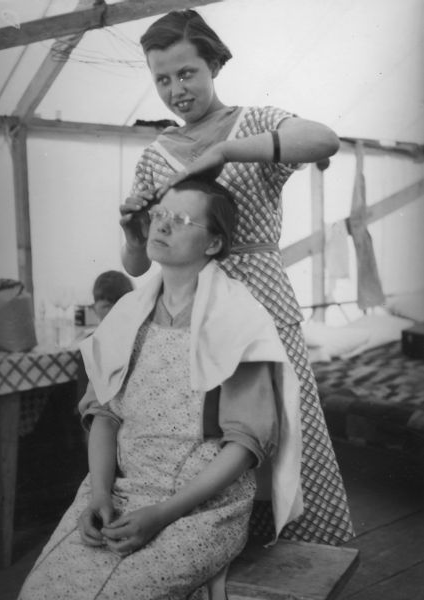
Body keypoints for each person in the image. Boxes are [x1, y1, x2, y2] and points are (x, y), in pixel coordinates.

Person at [119, 9, 353, 545]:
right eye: (162, 79)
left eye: (187, 73)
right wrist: (134, 234)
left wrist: (223, 151)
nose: (176, 89)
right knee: (212, 440)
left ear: (214, 65)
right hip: (194, 315)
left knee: (290, 432)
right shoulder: (156, 157)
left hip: (264, 303)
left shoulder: (257, 122)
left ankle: (307, 553)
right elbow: (137, 265)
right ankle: (217, 556)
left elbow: (325, 140)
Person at [18, 177, 302, 600]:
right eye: (160, 215)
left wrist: (162, 515)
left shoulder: (239, 320)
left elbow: (243, 447)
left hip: (201, 509)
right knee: (39, 592)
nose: (162, 227)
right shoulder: (129, 314)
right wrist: (97, 495)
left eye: (182, 219)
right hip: (119, 491)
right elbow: (105, 415)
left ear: (212, 244)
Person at [76, 270, 133, 402]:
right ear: (94, 308)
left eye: (119, 305)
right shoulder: (90, 343)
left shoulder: (137, 339)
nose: (113, 312)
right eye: (106, 306)